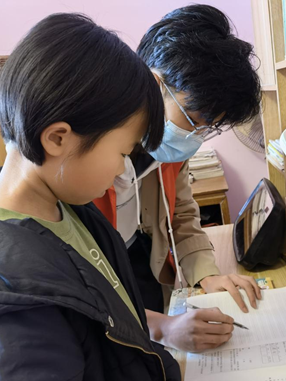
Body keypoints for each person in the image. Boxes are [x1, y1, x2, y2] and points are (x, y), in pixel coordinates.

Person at [0, 13, 184, 381]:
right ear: (57, 138)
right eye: (122, 152)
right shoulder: (9, 305)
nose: (123, 168)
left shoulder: (69, 209)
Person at [93, 5, 263, 353]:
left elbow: (182, 214)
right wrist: (163, 328)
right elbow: (77, 287)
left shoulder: (169, 148)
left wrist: (207, 274)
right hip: (99, 280)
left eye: (208, 127)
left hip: (144, 262)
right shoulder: (88, 157)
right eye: (194, 120)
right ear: (154, 84)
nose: (196, 136)